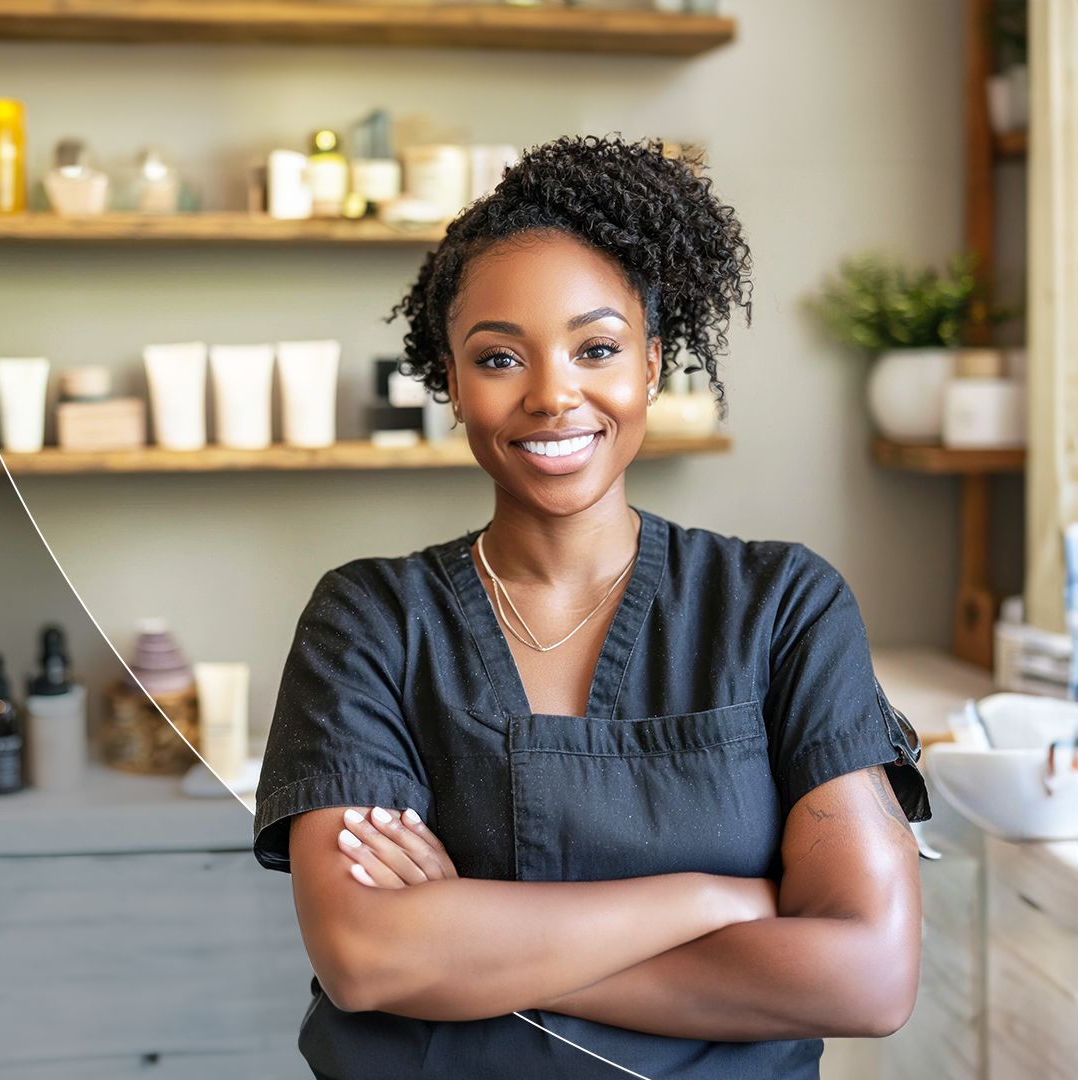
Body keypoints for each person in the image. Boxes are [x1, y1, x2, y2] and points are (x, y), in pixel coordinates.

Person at [252, 135, 929, 1079]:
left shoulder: (780, 607)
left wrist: (474, 954)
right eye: (498, 359)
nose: (552, 395)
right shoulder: (370, 622)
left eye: (597, 348)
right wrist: (711, 898)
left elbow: (869, 977)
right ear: (450, 381)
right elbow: (369, 957)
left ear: (651, 365)